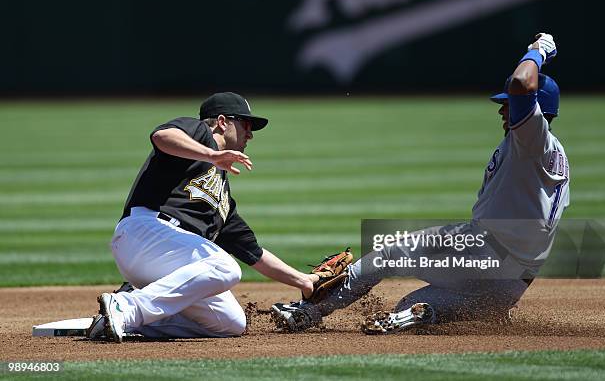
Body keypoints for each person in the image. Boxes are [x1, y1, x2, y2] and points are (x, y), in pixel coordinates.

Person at [272, 33, 570, 334]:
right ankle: (423, 314)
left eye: (507, 105)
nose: (501, 110)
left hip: (482, 249)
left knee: (387, 253)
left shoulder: (531, 138)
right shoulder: (556, 159)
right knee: (410, 304)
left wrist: (538, 51)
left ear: (538, 111)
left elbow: (521, 84)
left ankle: (308, 313)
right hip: (512, 286)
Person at [88, 92, 318, 342]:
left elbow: (254, 254)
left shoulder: (223, 200)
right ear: (222, 121)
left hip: (164, 262)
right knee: (225, 266)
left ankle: (123, 320)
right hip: (144, 233)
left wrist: (304, 281)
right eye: (246, 124)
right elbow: (161, 136)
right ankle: (127, 308)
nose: (250, 134)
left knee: (231, 323)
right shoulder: (198, 132)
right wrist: (211, 155)